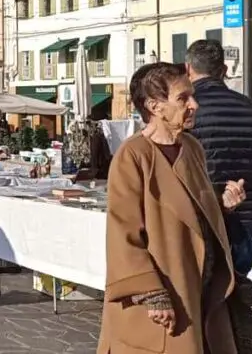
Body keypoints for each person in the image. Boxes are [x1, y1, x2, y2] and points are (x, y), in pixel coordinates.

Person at [98, 62, 244, 354]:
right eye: (183, 98)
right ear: (155, 106)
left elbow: (186, 204)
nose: (195, 104)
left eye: (192, 96)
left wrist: (220, 202)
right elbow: (123, 231)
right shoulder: (133, 155)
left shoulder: (191, 148)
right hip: (165, 291)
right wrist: (150, 293)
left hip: (199, 288)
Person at [185, 39, 252, 350]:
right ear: (224, 70)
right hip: (244, 228)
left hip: (200, 227)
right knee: (234, 307)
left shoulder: (186, 112)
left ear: (188, 70)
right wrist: (250, 206)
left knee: (199, 314)